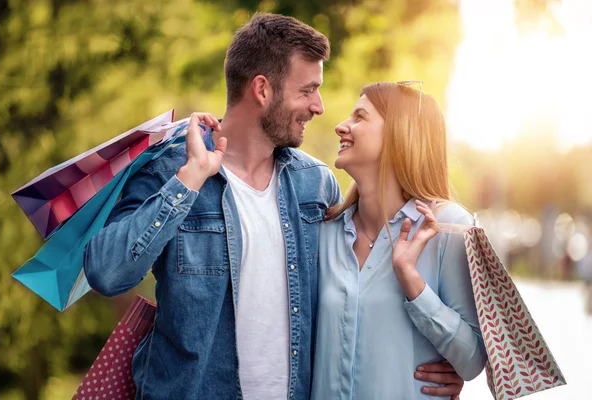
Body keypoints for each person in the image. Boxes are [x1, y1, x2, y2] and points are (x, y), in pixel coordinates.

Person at [84, 13, 465, 400]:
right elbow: (106, 273)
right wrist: (189, 180)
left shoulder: (315, 185)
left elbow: (357, 295)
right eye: (307, 90)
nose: (319, 106)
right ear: (262, 90)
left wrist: (440, 359)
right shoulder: (171, 170)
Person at [311, 82, 488, 399]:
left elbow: (472, 360)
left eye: (360, 117)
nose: (341, 126)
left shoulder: (449, 228)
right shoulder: (325, 231)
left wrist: (412, 281)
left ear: (399, 133)